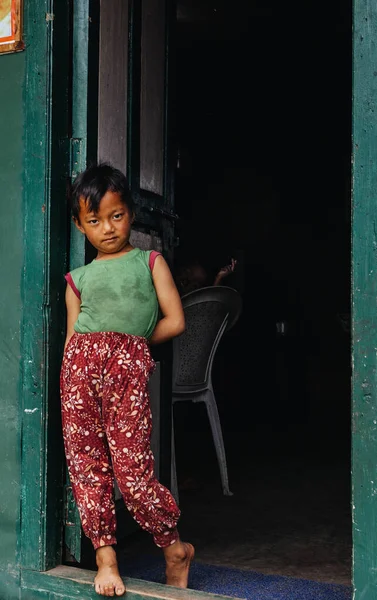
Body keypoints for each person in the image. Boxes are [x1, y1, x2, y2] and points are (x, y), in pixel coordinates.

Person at [61, 163, 194, 597]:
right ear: (80, 226)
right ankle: (106, 558)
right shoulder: (77, 281)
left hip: (125, 373)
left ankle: (175, 548)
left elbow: (175, 321)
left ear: (131, 215)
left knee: (133, 474)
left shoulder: (149, 262)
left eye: (116, 216)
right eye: (94, 220)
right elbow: (71, 341)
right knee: (87, 468)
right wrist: (81, 369)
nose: (108, 228)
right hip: (78, 376)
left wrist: (128, 346)